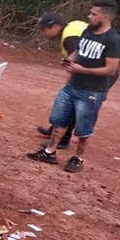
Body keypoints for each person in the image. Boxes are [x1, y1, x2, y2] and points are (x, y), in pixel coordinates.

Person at [27, 0, 120, 173]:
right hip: (74, 84)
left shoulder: (113, 40)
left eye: (94, 14)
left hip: (93, 89)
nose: (89, 16)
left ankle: (78, 158)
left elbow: (111, 70)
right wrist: (70, 60)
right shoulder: (88, 30)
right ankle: (50, 152)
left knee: (84, 126)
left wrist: (81, 69)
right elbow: (79, 50)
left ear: (106, 17)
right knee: (60, 119)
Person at [35, 13, 88, 148]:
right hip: (90, 70)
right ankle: (55, 131)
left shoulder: (69, 37)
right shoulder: (71, 29)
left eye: (45, 29)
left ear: (56, 26)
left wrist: (69, 82)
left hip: (94, 73)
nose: (43, 33)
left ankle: (63, 139)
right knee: (68, 99)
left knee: (70, 100)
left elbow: (80, 60)